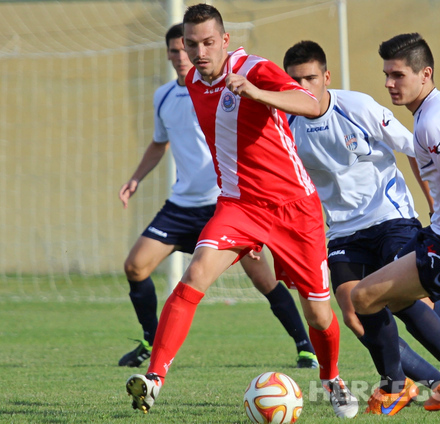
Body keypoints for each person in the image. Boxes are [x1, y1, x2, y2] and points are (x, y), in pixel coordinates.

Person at [125, 5, 358, 419]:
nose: (199, 52)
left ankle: (331, 377)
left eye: (208, 43)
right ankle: (155, 378)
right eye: (190, 44)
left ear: (225, 40)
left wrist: (257, 93)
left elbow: (311, 102)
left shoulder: (256, 68)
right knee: (196, 273)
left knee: (319, 313)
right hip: (239, 205)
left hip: (294, 208)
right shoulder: (193, 82)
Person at [283, 40, 440, 415]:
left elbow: (422, 156)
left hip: (391, 218)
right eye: (294, 81)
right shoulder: (287, 125)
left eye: (310, 78)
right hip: (346, 231)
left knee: (401, 301)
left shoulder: (364, 108)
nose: (303, 88)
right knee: (357, 309)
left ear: (326, 77)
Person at [118, 23, 318, 371]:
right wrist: (136, 178)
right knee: (136, 266)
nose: (189, 55)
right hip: (181, 204)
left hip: (226, 201)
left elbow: (288, 110)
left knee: (263, 279)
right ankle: (153, 343)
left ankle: (304, 346)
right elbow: (159, 142)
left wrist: (256, 94)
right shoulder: (166, 95)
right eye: (181, 49)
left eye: (197, 46)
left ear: (220, 43)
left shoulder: (229, 81)